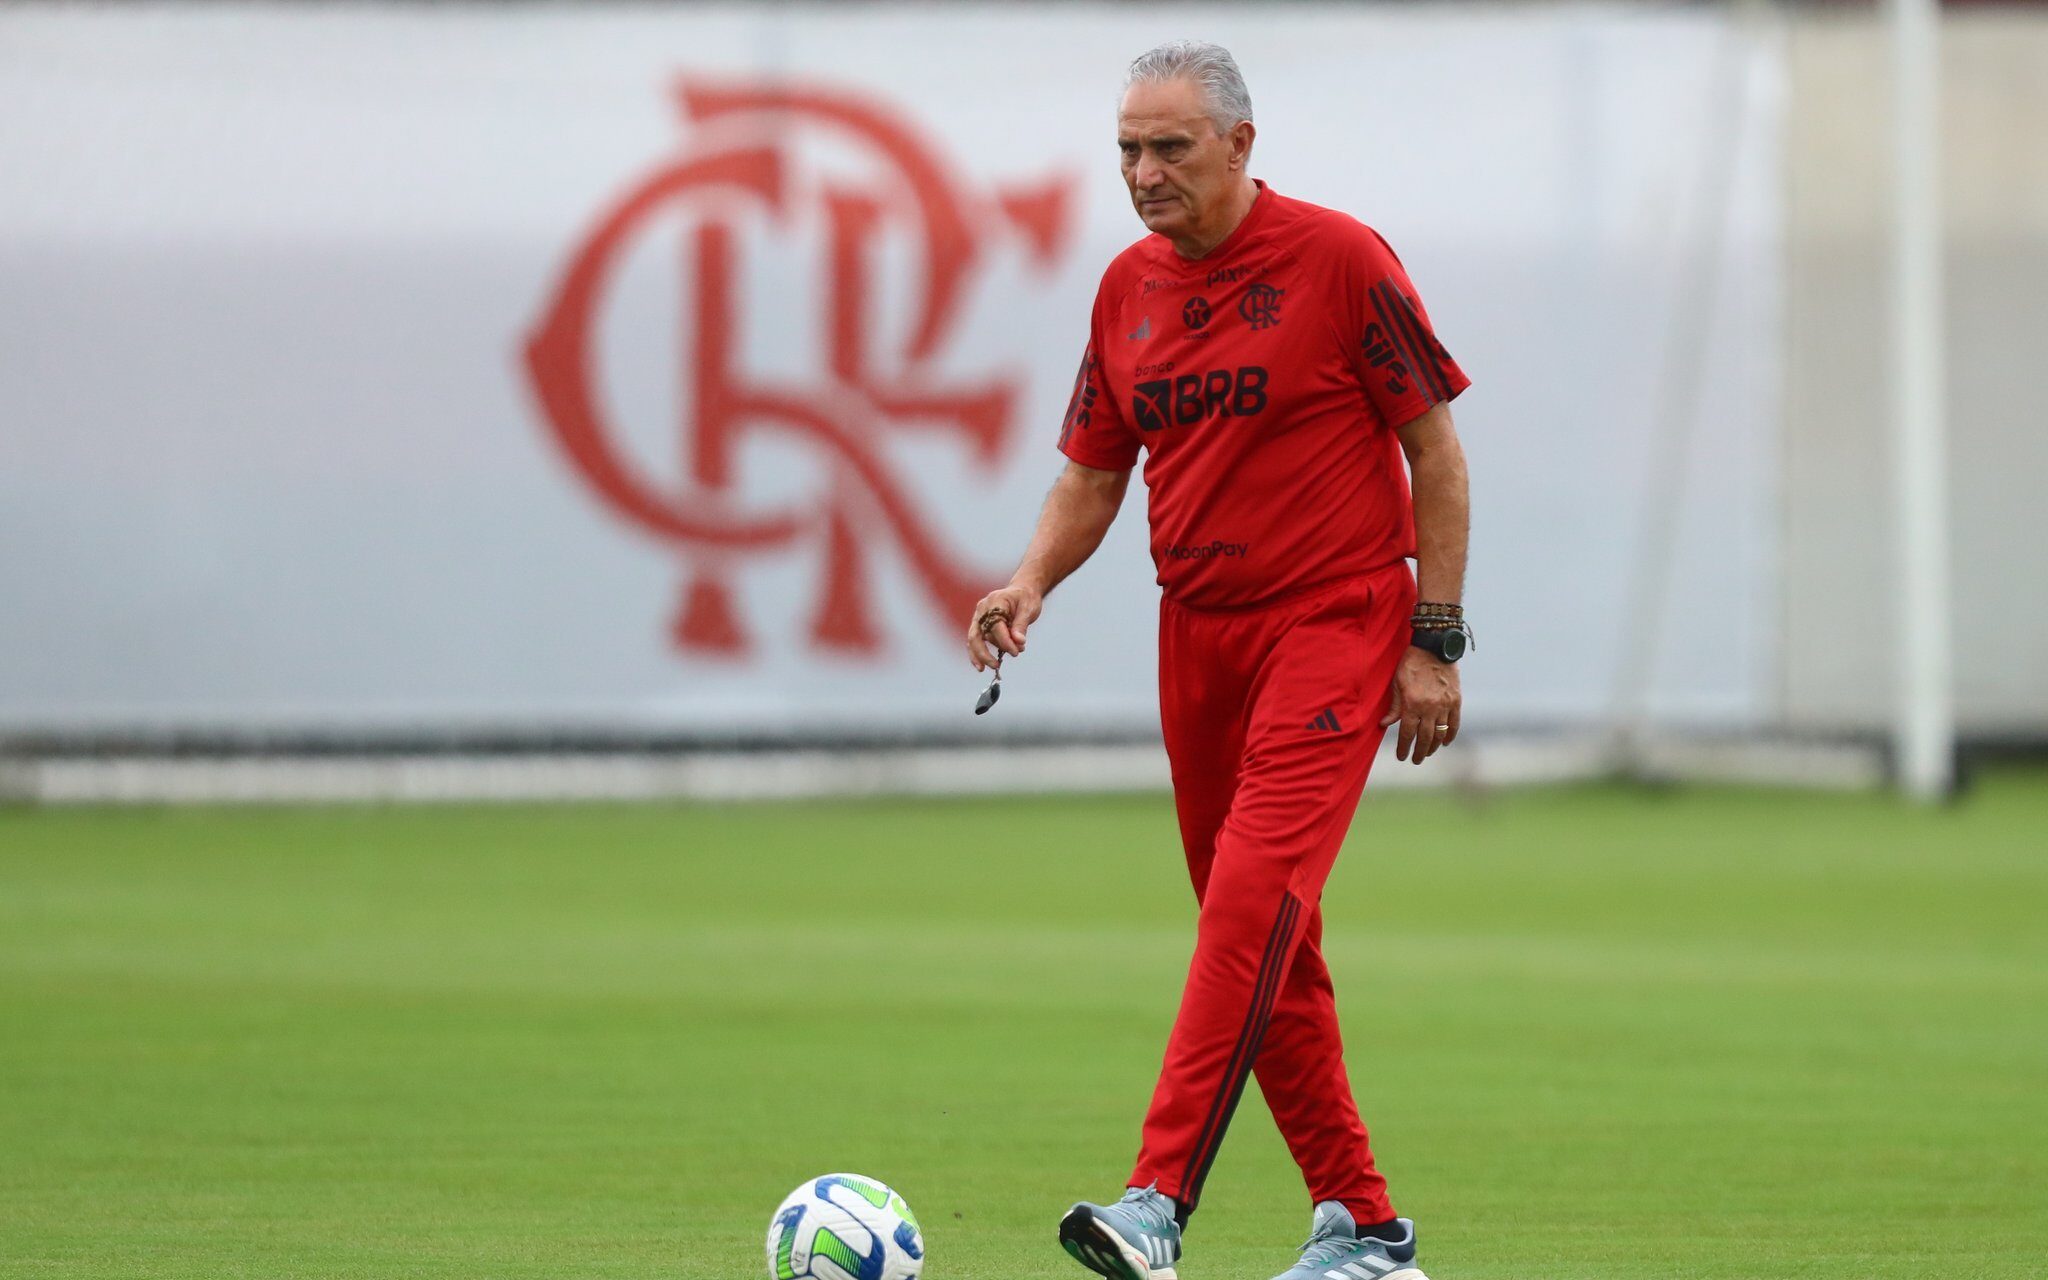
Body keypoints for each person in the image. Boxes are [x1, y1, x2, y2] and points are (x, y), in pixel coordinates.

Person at [964, 40, 1473, 1280]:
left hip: (1333, 619)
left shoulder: (1339, 260)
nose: (1143, 172)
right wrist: (1028, 577)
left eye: (1169, 147)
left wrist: (1433, 639)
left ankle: (1155, 1200)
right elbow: (1092, 472)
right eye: (1128, 150)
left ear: (1240, 146)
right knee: (1265, 935)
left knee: (1249, 904)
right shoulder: (1124, 289)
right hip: (1195, 635)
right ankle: (1362, 1225)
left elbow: (1436, 457)